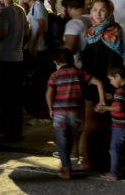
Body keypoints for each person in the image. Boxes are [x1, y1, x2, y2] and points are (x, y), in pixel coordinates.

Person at [80, 0, 125, 172]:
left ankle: (104, 163)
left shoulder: (113, 32)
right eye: (94, 10)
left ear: (110, 12)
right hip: (91, 84)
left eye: (102, 10)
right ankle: (90, 161)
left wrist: (110, 90)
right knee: (91, 125)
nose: (98, 13)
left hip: (108, 87)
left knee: (105, 127)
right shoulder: (90, 32)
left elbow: (114, 63)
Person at [46, 48, 105, 179]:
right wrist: (102, 101)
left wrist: (50, 108)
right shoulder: (79, 72)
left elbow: (49, 93)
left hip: (60, 112)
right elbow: (99, 83)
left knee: (61, 140)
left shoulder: (54, 76)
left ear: (56, 62)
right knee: (71, 137)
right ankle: (67, 164)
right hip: (76, 112)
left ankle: (66, 169)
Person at [0, 0, 29, 142]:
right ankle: (14, 128)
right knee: (15, 95)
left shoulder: (4, 12)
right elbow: (27, 30)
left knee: (1, 94)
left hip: (5, 57)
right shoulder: (20, 10)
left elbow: (0, 33)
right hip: (18, 56)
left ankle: (6, 127)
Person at [96, 66, 125, 181]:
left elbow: (119, 107)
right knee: (122, 149)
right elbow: (121, 102)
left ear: (117, 76)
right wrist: (110, 100)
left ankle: (113, 173)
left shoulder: (120, 91)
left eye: (111, 79)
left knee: (114, 149)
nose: (110, 82)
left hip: (121, 126)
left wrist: (105, 108)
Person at [22, 0, 51, 117]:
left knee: (36, 79)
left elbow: (40, 25)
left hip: (38, 48)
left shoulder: (38, 7)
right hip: (34, 46)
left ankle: (37, 108)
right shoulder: (33, 7)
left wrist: (33, 44)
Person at [62, 0, 92, 68]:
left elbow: (69, 51)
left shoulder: (73, 24)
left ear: (68, 7)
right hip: (94, 65)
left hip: (78, 68)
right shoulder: (93, 19)